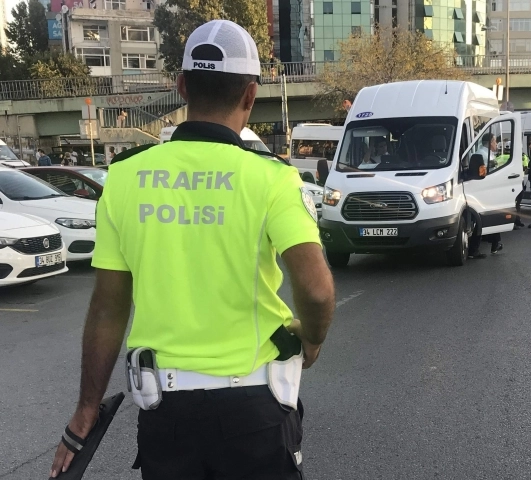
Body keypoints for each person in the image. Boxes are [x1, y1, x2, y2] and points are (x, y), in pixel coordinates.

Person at [49, 19, 336, 480]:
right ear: (250, 95)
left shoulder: (124, 178)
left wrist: (85, 412)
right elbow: (317, 292)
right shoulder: (272, 178)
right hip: (255, 413)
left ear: (181, 86)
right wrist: (313, 338)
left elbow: (107, 310)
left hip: (167, 415)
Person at [469, 132, 502, 257]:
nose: (496, 144)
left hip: (483, 191)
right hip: (485, 192)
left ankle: (495, 243)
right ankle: (474, 250)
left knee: (487, 219)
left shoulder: (484, 153)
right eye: (494, 141)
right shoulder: (484, 155)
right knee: (483, 220)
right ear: (489, 143)